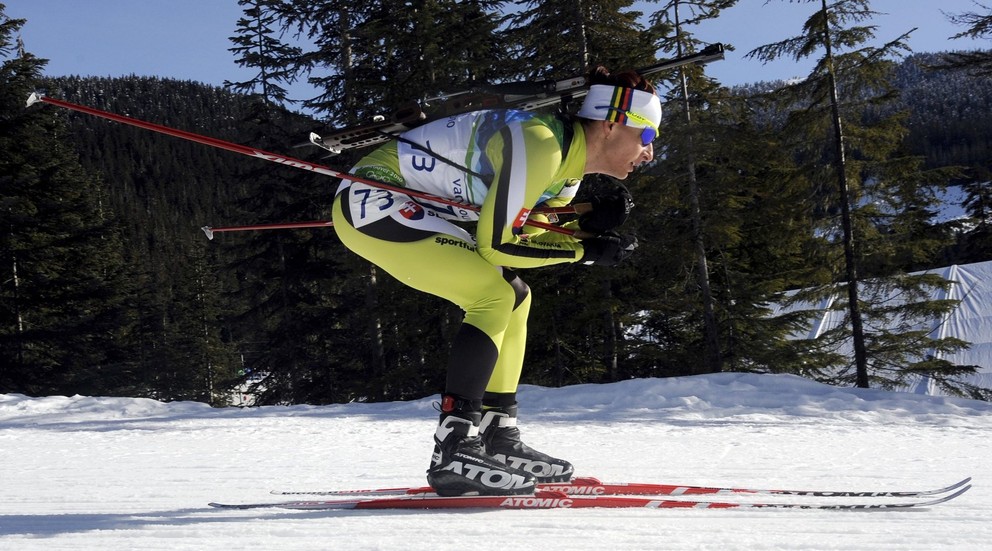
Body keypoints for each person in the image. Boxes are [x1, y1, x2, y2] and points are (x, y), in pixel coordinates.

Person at [331, 66, 659, 497]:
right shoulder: (540, 143)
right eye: (647, 136)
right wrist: (584, 252)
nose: (649, 153)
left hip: (410, 206)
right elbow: (498, 247)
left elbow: (526, 230)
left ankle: (497, 436)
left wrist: (581, 220)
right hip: (373, 201)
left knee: (516, 297)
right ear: (612, 123)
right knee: (493, 293)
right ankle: (453, 448)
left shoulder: (568, 174)